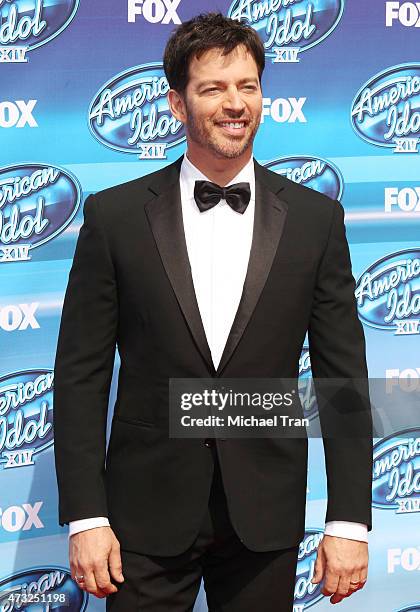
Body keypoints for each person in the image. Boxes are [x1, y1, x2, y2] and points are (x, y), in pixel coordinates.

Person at [53, 12, 373, 612]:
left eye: (248, 86)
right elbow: (79, 377)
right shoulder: (114, 218)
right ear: (177, 104)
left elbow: (343, 379)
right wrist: (85, 515)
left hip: (266, 515)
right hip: (142, 519)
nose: (235, 103)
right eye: (213, 88)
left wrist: (349, 520)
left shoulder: (315, 220)